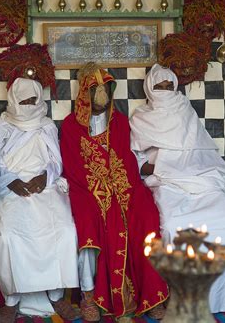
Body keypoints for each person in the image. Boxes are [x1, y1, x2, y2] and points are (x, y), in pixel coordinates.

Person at [129, 64, 225, 313]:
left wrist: (187, 165)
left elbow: (201, 149)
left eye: (170, 86)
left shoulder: (185, 110)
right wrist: (161, 168)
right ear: (149, 89)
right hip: (167, 183)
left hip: (202, 179)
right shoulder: (140, 117)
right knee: (173, 226)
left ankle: (218, 298)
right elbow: (135, 160)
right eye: (159, 87)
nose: (166, 91)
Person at [59, 63, 168, 322]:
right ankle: (88, 295)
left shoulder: (120, 122)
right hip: (85, 190)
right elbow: (73, 167)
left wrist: (120, 189)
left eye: (105, 90)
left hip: (124, 186)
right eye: (95, 91)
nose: (101, 98)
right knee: (88, 223)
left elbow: (126, 161)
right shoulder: (71, 125)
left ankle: (151, 294)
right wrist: (100, 191)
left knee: (147, 215)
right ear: (83, 93)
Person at [0, 78, 80, 322]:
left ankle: (57, 295)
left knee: (65, 230)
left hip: (45, 187)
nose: (28, 105)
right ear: (14, 101)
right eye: (23, 101)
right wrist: (11, 181)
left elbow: (57, 162)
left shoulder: (47, 125)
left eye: (33, 100)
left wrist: (44, 177)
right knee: (7, 235)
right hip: (13, 189)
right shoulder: (4, 126)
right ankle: (11, 300)